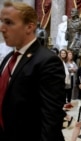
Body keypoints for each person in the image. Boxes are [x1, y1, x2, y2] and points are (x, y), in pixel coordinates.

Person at [0, 1, 65, 141]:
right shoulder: (8, 59)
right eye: (1, 22)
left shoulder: (48, 61)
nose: (2, 28)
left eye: (9, 22)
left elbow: (51, 120)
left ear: (29, 27)